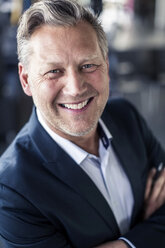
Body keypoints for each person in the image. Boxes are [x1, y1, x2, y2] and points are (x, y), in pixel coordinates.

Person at [0, 0, 165, 247]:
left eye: (88, 65)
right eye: (54, 71)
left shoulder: (126, 117)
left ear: (106, 66)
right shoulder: (11, 189)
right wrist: (145, 233)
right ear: (26, 80)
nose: (76, 88)